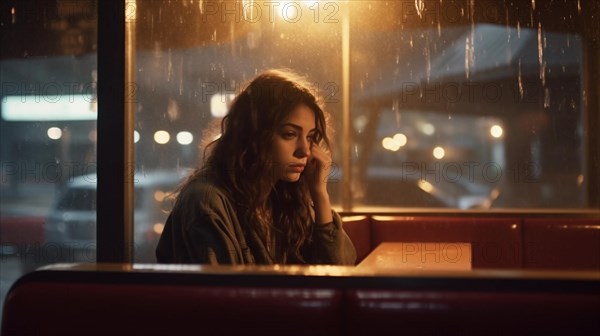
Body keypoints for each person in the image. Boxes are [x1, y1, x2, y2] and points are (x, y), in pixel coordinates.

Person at [156, 69, 356, 265]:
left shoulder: (283, 197)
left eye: (311, 137)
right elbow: (227, 294)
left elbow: (340, 276)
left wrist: (319, 194)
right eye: (289, 134)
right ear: (253, 135)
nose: (305, 150)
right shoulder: (207, 200)